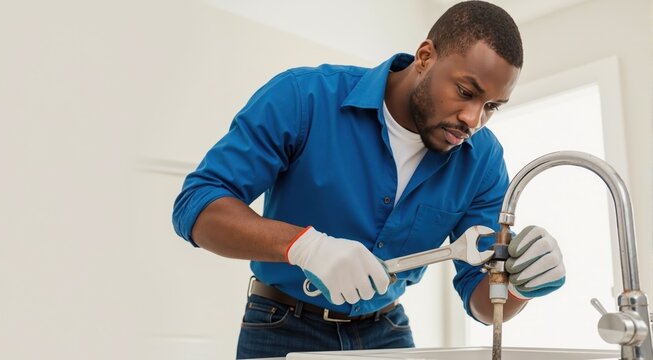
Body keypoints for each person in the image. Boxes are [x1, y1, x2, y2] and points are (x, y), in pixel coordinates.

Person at [172, 1, 566, 358]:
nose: (473, 119)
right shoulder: (304, 98)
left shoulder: (483, 160)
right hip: (280, 325)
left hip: (387, 329)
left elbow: (481, 301)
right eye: (465, 92)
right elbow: (197, 206)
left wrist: (518, 285)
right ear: (426, 57)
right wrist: (305, 247)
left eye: (491, 107)